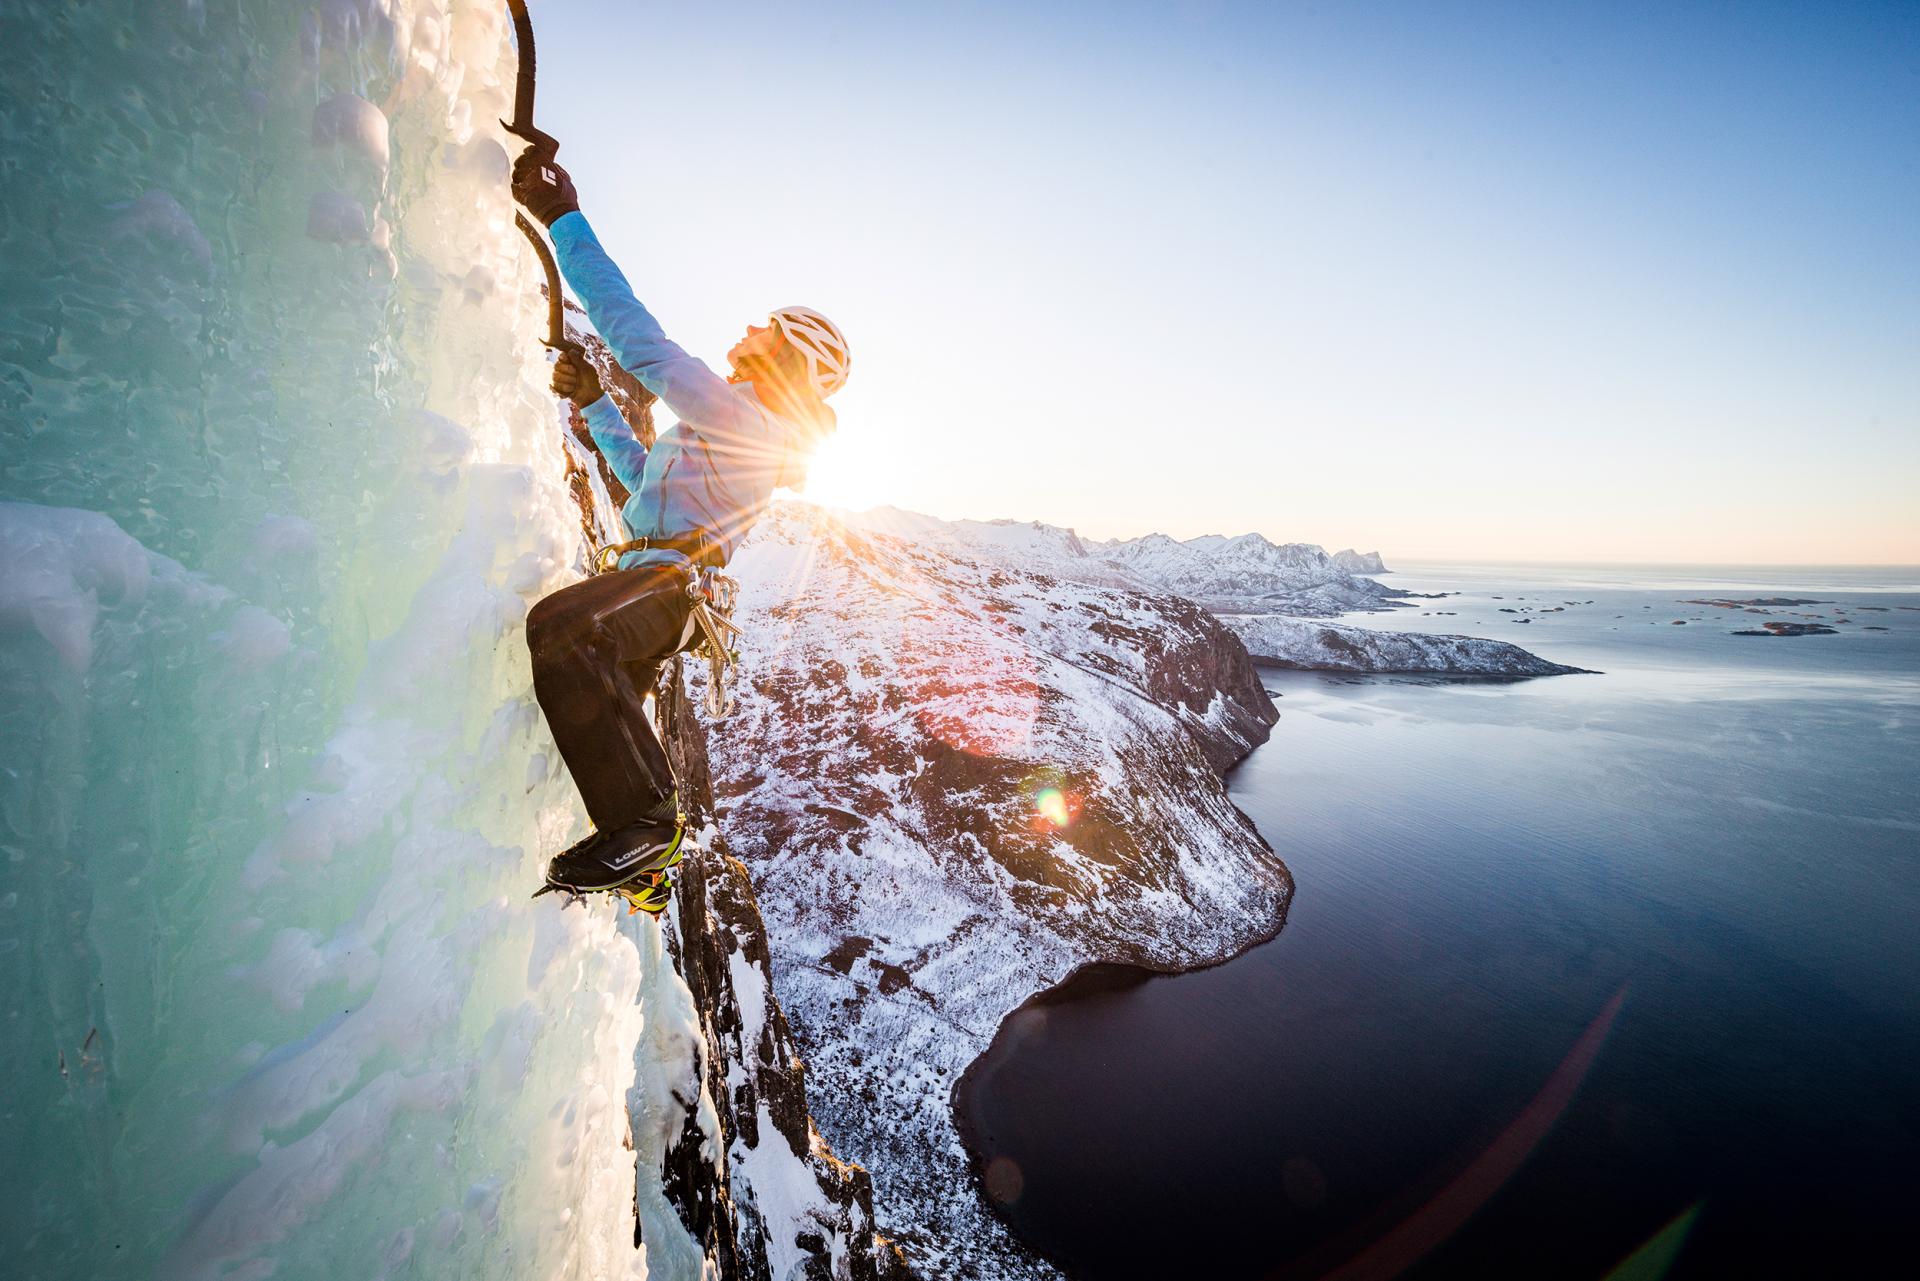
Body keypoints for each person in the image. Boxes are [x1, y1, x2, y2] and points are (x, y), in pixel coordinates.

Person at [511, 146, 850, 913]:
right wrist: (597, 401)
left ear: (789, 356)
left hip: (663, 588)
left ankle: (650, 824)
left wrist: (564, 222)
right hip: (653, 580)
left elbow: (646, 345)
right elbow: (642, 492)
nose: (747, 329)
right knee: (594, 716)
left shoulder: (746, 419)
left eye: (765, 327)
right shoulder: (738, 431)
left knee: (562, 631)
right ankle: (644, 868)